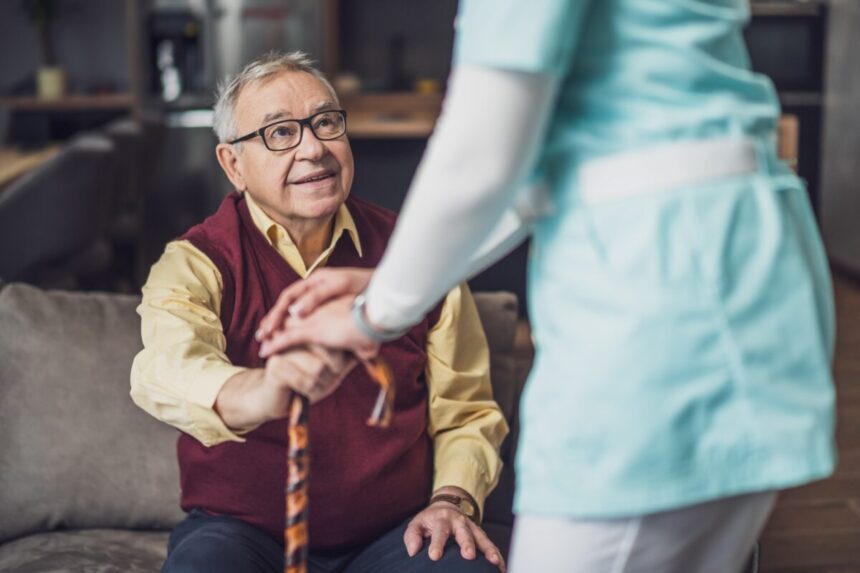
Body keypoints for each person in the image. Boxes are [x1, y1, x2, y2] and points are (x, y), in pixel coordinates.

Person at [255, 1, 837, 572]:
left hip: (662, 297)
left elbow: (483, 156)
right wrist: (389, 289)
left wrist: (369, 314)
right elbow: (526, 170)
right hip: (749, 263)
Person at [130, 51, 509, 573]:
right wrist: (266, 388)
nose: (314, 148)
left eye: (326, 122)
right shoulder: (196, 262)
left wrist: (452, 499)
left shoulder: (413, 255)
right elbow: (166, 368)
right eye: (280, 133)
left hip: (394, 533)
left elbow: (466, 410)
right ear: (232, 164)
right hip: (240, 533)